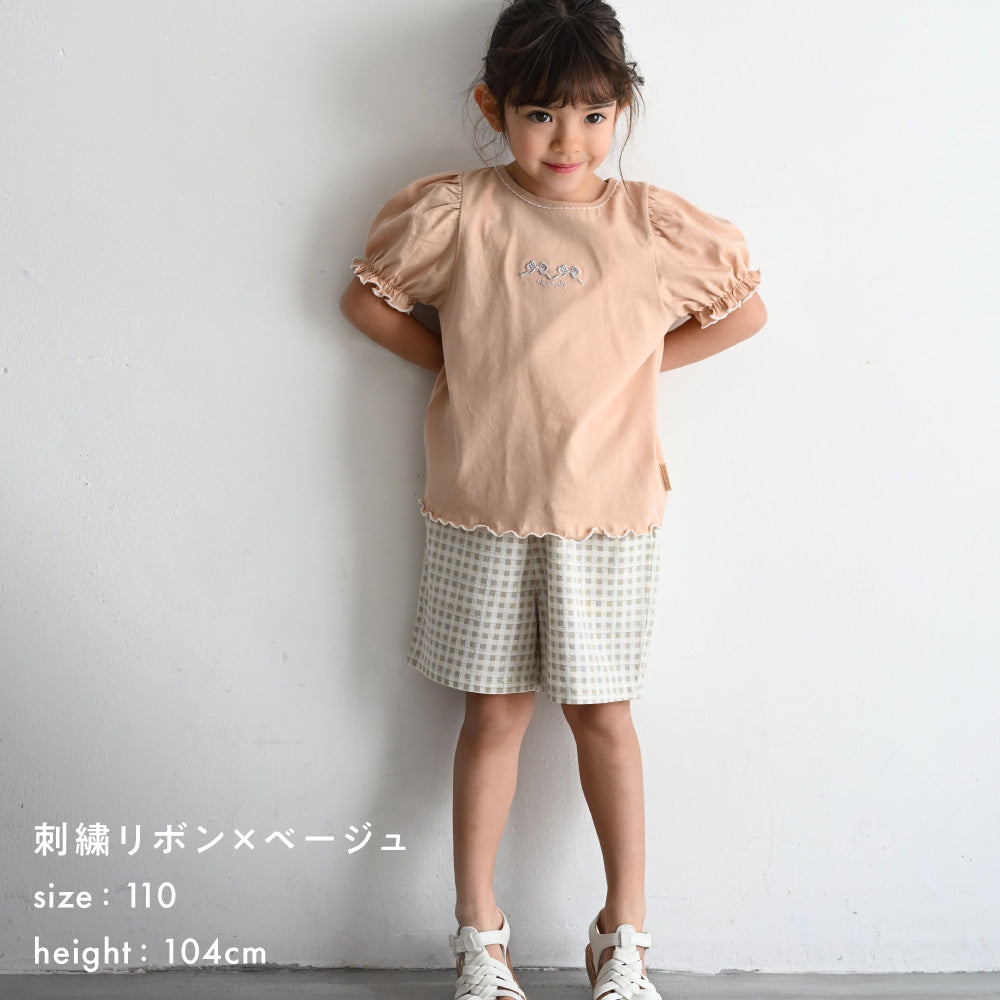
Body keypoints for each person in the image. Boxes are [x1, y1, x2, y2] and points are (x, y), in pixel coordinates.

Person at [340, 1, 767, 997]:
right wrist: (461, 365)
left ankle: (622, 935)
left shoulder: (651, 225)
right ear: (494, 108)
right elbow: (367, 302)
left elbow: (743, 314)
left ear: (621, 109)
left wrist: (636, 367)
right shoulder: (461, 214)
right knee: (491, 716)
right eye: (539, 114)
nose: (566, 139)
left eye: (591, 115)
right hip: (482, 507)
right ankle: (479, 935)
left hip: (605, 515)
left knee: (603, 715)